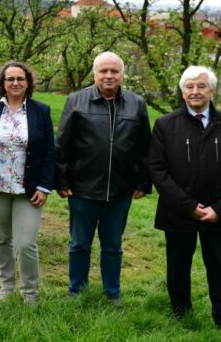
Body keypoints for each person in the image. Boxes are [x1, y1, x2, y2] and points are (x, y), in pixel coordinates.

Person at [149, 66, 221, 334]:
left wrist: (220, 209)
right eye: (190, 86)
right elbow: (158, 171)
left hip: (220, 215)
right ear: (182, 92)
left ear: (212, 91)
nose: (195, 91)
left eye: (201, 86)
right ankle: (181, 318)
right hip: (178, 213)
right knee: (178, 268)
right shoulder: (165, 125)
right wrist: (189, 206)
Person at [55, 51, 151, 308]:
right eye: (103, 71)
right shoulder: (76, 100)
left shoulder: (136, 103)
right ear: (95, 73)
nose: (109, 76)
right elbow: (62, 144)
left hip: (120, 191)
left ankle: (112, 294)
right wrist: (61, 181)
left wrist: (143, 182)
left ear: (122, 74)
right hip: (82, 189)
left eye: (114, 71)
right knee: (79, 245)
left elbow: (145, 146)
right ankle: (77, 290)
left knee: (112, 247)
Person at [0, 62, 55, 303]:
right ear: (2, 84)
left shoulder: (41, 111)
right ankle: (6, 288)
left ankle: (29, 293)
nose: (15, 83)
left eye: (20, 79)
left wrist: (44, 186)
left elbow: (49, 152)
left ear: (28, 83)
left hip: (29, 189)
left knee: (26, 243)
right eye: (10, 79)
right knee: (0, 239)